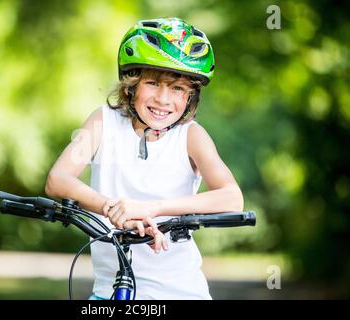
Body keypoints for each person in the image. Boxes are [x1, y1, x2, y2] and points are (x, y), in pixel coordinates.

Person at [45, 17, 244, 300]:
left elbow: (231, 197)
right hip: (108, 290)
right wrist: (113, 209)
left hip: (180, 292)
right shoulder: (103, 122)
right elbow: (58, 179)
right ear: (132, 84)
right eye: (153, 83)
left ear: (191, 97)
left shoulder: (191, 136)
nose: (163, 99)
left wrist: (151, 208)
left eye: (177, 89)